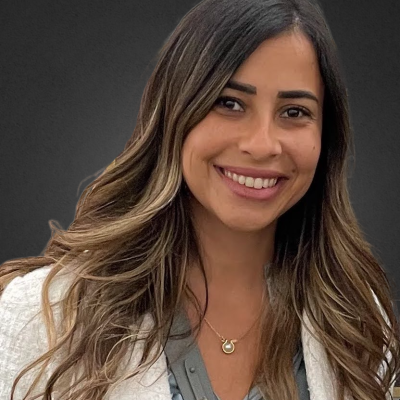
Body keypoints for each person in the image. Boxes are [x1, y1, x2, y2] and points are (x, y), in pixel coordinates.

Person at [0, 0, 399, 399]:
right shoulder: (43, 316)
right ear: (174, 113)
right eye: (229, 103)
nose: (261, 145)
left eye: (294, 111)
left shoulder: (358, 327)